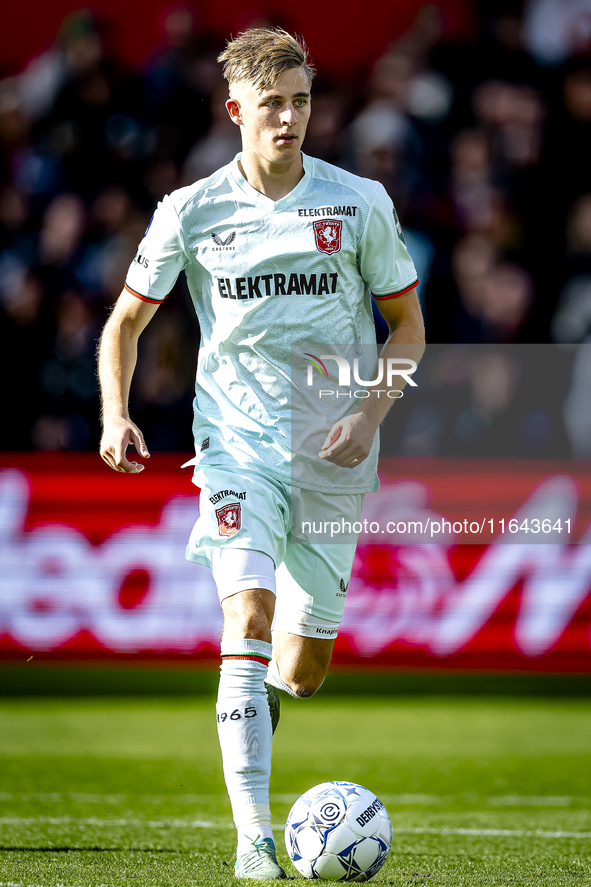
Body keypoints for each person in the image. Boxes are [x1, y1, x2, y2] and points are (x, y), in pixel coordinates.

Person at [98, 28, 425, 880]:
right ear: (235, 109)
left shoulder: (356, 203)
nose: (288, 118)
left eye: (301, 102)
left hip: (332, 454)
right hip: (233, 444)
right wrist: (115, 412)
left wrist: (367, 412)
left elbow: (409, 326)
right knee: (243, 617)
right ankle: (254, 838)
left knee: (303, 668)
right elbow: (124, 323)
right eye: (271, 104)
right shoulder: (190, 210)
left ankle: (265, 706)